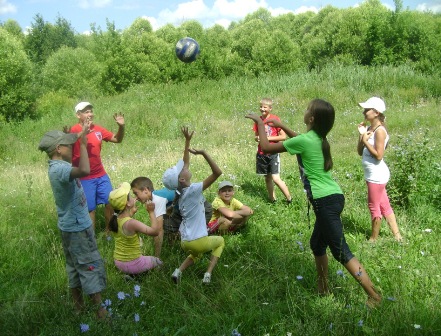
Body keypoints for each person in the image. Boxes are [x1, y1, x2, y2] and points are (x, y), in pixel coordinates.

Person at [246, 99, 382, 307]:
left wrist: (260, 122)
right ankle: (323, 287)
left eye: (307, 109)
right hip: (333, 196)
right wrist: (281, 126)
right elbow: (299, 139)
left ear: (311, 118)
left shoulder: (307, 140)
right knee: (317, 245)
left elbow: (265, 146)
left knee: (340, 250)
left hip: (324, 201)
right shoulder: (318, 138)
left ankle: (374, 295)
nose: (305, 110)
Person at [38, 123, 107, 319]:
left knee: (74, 266)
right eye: (68, 145)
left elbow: (72, 148)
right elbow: (85, 170)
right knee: (88, 264)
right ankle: (100, 311)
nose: (73, 147)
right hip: (78, 227)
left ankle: (78, 308)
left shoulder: (57, 166)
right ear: (59, 150)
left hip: (69, 225)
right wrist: (84, 144)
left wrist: (77, 135)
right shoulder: (59, 170)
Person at [163, 126, 224, 284]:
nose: (184, 167)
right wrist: (204, 153)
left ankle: (178, 272)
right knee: (220, 242)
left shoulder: (180, 192)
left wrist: (187, 141)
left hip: (186, 242)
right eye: (182, 170)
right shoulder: (193, 190)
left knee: (196, 254)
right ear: (182, 179)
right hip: (198, 241)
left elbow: (185, 162)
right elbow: (218, 173)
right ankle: (208, 274)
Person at [69, 101, 125, 232]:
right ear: (78, 115)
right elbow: (66, 149)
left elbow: (117, 139)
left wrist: (121, 127)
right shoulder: (73, 130)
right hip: (84, 176)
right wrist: (83, 132)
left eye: (90, 111)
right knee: (90, 209)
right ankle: (91, 238)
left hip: (101, 174)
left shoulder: (98, 129)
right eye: (86, 112)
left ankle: (108, 232)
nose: (90, 114)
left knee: (110, 203)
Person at [357, 97, 402, 242]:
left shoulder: (380, 131)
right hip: (372, 174)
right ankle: (397, 236)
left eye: (367, 109)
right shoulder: (370, 129)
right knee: (384, 205)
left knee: (374, 207)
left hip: (376, 175)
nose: (364, 112)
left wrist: (365, 141)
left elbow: (378, 155)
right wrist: (361, 136)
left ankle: (373, 240)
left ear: (376, 112)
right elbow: (359, 151)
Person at [108, 182, 162, 276]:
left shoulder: (115, 219)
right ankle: (136, 275)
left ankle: (129, 275)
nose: (134, 197)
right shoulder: (132, 223)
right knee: (158, 261)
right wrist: (151, 212)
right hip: (133, 264)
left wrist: (131, 212)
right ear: (128, 203)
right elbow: (155, 232)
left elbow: (125, 222)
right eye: (131, 197)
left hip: (118, 262)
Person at [253, 98, 292, 203]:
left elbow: (283, 137)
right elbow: (256, 136)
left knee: (276, 178)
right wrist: (257, 138)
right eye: (261, 106)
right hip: (262, 153)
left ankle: (289, 199)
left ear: (270, 108)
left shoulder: (275, 119)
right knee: (267, 178)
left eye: (265, 107)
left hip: (273, 153)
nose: (262, 109)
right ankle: (272, 200)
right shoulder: (258, 120)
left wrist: (267, 138)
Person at [130, 177, 168, 257]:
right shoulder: (153, 198)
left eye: (136, 193)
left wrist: (156, 257)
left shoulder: (157, 200)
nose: (136, 197)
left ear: (146, 190)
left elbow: (158, 230)